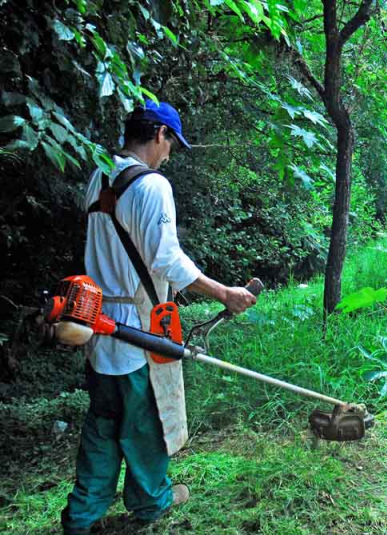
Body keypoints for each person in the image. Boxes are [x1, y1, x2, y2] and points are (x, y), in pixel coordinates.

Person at [61, 100, 257, 534]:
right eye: (171, 144)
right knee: (144, 420)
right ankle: (152, 502)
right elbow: (167, 261)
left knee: (102, 423)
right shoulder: (152, 186)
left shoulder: (99, 174)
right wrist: (224, 292)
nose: (169, 155)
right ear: (159, 135)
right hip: (135, 326)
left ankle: (82, 516)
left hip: (93, 324)